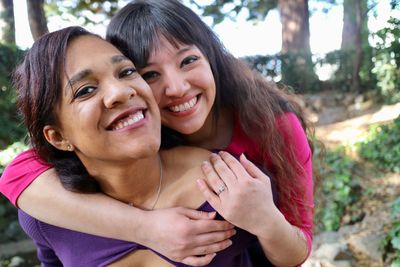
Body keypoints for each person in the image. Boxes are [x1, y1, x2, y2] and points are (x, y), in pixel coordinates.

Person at [0, 0, 314, 266]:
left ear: (213, 58)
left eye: (125, 73)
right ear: (58, 137)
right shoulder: (51, 211)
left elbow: (296, 245)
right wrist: (146, 228)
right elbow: (15, 176)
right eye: (149, 74)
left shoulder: (256, 148)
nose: (176, 88)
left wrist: (266, 219)